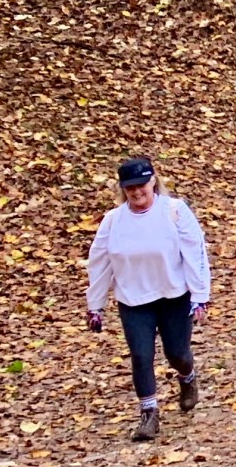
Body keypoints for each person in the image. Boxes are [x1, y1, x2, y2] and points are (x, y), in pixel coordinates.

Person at [86, 155, 212, 442]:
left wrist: (200, 296)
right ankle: (149, 413)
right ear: (123, 189)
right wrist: (95, 306)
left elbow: (195, 253)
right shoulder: (112, 221)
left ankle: (188, 377)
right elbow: (100, 262)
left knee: (176, 353)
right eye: (131, 187)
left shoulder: (175, 211)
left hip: (173, 295)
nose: (137, 192)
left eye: (142, 185)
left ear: (153, 181)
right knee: (141, 356)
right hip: (133, 299)